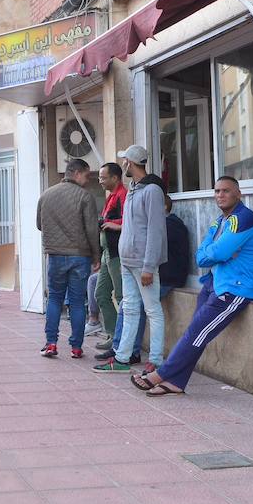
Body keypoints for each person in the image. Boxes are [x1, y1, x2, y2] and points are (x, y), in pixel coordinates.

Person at [133, 177, 253, 396]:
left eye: (226, 191)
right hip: (215, 283)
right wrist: (215, 253)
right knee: (195, 333)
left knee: (197, 332)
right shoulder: (220, 220)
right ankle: (176, 382)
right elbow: (202, 256)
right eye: (217, 191)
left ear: (238, 194)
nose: (220, 195)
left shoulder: (243, 219)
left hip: (237, 289)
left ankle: (161, 375)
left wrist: (217, 253)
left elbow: (218, 253)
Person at [96, 145, 166, 373]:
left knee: (152, 310)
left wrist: (149, 266)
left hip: (142, 263)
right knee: (131, 308)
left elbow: (155, 230)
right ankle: (123, 358)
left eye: (125, 160)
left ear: (130, 163)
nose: (123, 163)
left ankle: (156, 360)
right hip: (127, 261)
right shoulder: (134, 188)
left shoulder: (152, 190)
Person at [36, 158, 101, 359]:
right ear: (76, 173)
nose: (89, 179)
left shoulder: (46, 195)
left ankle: (51, 343)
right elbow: (92, 229)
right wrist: (96, 255)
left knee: (55, 298)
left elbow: (39, 224)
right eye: (87, 175)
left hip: (55, 255)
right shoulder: (85, 197)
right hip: (79, 257)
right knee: (77, 302)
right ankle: (76, 347)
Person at [122, 193, 192, 369]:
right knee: (130, 306)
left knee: (139, 307)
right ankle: (127, 351)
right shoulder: (167, 224)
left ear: (163, 208)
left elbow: (152, 249)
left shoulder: (169, 226)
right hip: (160, 274)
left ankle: (136, 354)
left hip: (168, 278)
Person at [87, 163, 126, 354]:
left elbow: (130, 220)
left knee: (121, 297)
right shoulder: (112, 196)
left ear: (115, 178)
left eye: (103, 177)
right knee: (101, 294)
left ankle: (122, 341)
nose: (100, 181)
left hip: (117, 253)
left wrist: (113, 224)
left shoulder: (123, 195)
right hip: (106, 252)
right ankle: (112, 335)